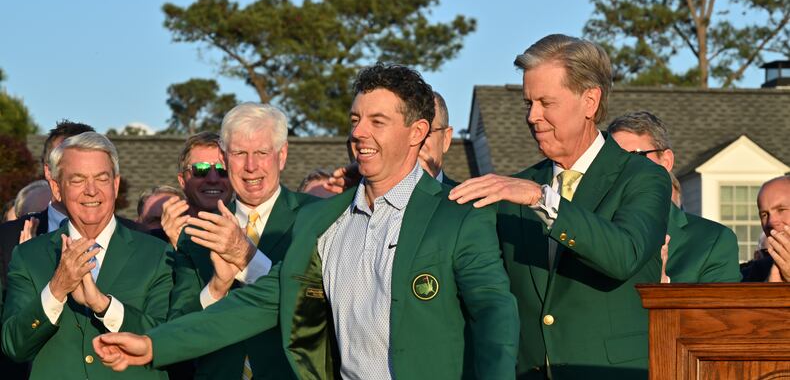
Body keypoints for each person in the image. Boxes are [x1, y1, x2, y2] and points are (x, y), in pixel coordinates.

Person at [94, 63, 519, 379]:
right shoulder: (322, 221)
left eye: (377, 121)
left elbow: (495, 320)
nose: (360, 133)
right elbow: (263, 302)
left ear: (417, 131)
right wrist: (153, 344)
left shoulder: (458, 214)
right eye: (355, 120)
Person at [448, 34, 671, 379]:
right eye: (528, 103)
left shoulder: (641, 178)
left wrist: (542, 200)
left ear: (590, 101)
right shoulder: (512, 191)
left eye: (546, 102)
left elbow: (624, 253)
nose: (532, 116)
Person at [1, 132, 172, 379]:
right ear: (57, 189)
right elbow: (14, 346)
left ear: (115, 184)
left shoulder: (155, 253)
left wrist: (104, 306)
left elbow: (168, 340)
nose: (91, 191)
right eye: (78, 180)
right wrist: (56, 290)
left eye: (101, 179)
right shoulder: (28, 256)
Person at [167, 105, 316, 380]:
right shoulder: (197, 233)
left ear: (281, 155)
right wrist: (216, 288)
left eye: (261, 152)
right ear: (224, 158)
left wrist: (246, 256)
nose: (251, 167)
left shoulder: (317, 219)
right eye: (239, 154)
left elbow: (316, 309)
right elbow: (178, 330)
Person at [608, 111, 741, 283]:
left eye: (635, 156)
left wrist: (663, 294)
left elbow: (719, 310)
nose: (623, 169)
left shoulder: (713, 241)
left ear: (666, 162)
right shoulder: (595, 231)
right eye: (614, 160)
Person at [324, 90, 458, 193]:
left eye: (424, 132)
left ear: (446, 139)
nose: (410, 141)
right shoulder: (349, 197)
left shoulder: (468, 206)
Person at [741, 176, 790, 282]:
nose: (771, 221)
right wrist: (769, 290)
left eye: (781, 210)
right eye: (764, 214)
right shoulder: (755, 273)